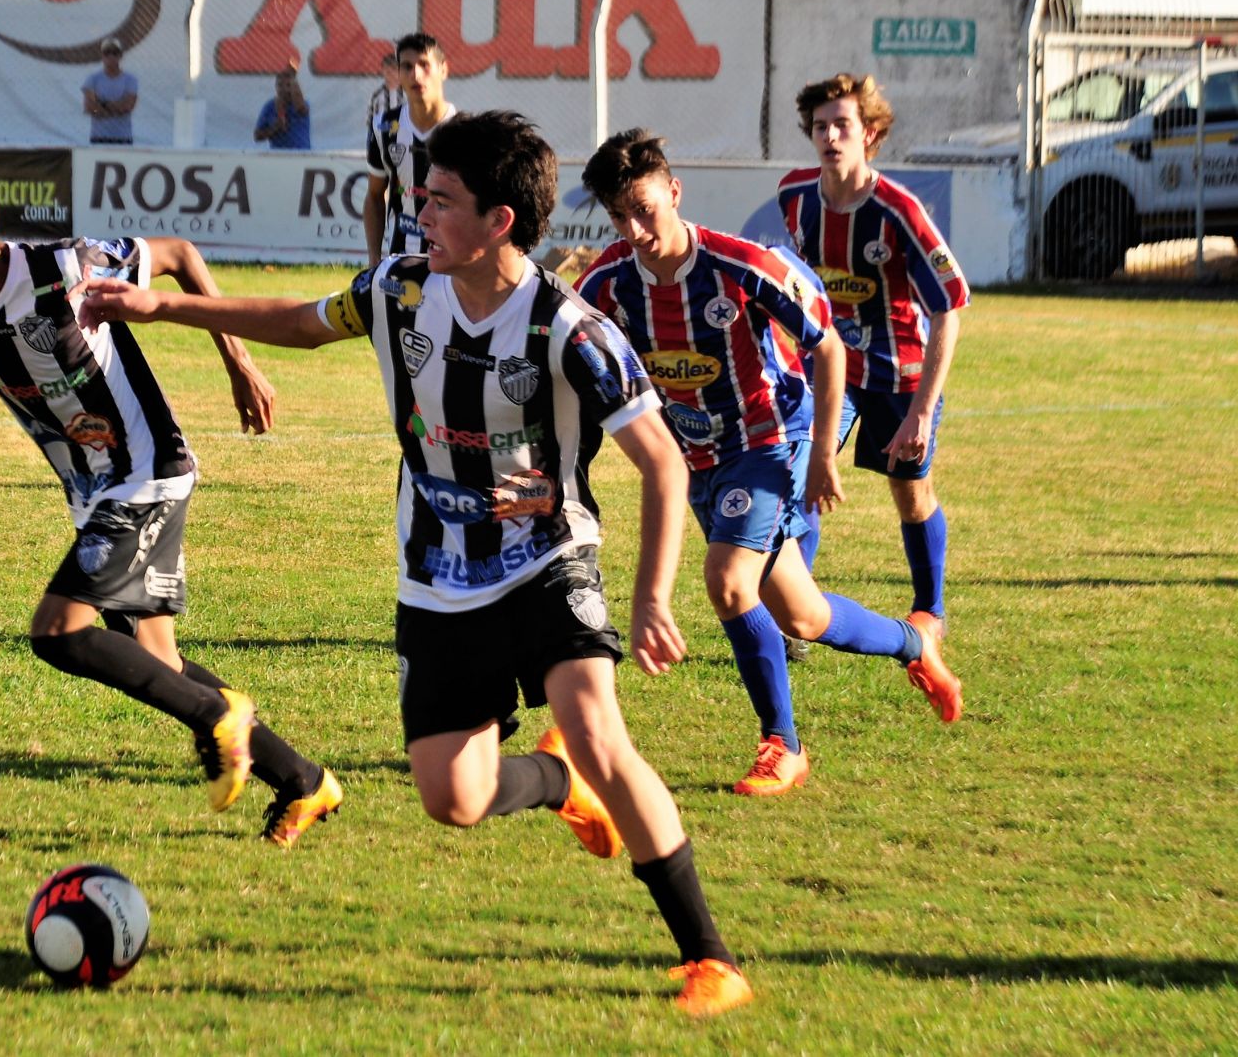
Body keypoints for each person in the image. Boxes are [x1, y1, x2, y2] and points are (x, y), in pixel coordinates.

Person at [77, 111, 754, 1018]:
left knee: (598, 726)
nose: (417, 211)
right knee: (454, 799)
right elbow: (301, 320)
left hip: (550, 559)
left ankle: (709, 957)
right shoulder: (399, 288)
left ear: (499, 222)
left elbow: (663, 462)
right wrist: (170, 307)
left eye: (439, 200)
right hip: (436, 574)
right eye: (420, 194)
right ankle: (558, 783)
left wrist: (652, 598)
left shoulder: (570, 328)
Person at [0, 150, 341, 849]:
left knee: (57, 631)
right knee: (159, 663)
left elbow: (178, 252)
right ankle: (305, 781)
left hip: (147, 470)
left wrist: (239, 361)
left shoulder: (66, 266)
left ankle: (221, 719)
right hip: (91, 492)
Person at [575, 129, 963, 797]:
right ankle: (913, 644)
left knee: (729, 583)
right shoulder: (607, 284)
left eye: (644, 209)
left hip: (765, 444)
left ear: (674, 191)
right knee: (803, 616)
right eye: (618, 217)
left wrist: (819, 456)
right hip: (693, 461)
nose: (635, 230)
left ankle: (783, 744)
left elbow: (829, 347)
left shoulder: (742, 265)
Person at [778, 74, 970, 637]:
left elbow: (949, 306)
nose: (830, 136)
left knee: (911, 492)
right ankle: (796, 615)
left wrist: (921, 410)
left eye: (843, 125)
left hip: (900, 374)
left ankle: (930, 610)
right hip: (829, 368)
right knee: (801, 476)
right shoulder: (795, 196)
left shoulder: (899, 211)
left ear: (871, 133)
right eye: (820, 126)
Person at [362, 32, 456, 268]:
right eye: (407, 67)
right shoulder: (383, 127)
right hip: (401, 259)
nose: (416, 74)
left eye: (425, 65)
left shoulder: (465, 132)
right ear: (399, 74)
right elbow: (374, 195)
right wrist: (374, 255)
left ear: (443, 69)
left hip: (453, 263)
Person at [82, 37, 137, 146]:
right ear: (102, 56)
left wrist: (101, 104)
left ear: (121, 55)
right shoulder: (93, 79)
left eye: (115, 53)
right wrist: (116, 108)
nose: (111, 56)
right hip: (99, 137)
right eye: (107, 53)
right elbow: (89, 108)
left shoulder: (130, 79)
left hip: (123, 137)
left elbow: (127, 107)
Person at [253, 66, 311, 149]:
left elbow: (302, 110)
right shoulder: (269, 107)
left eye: (288, 85)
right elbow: (257, 136)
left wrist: (295, 89)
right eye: (280, 85)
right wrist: (275, 127)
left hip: (301, 155)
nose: (284, 89)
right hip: (278, 156)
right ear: (276, 86)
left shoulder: (303, 104)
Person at [364, 52, 404, 137]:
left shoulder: (408, 94)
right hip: (383, 138)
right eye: (386, 69)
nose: (390, 72)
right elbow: (370, 121)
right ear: (382, 70)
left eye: (394, 69)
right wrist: (386, 127)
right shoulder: (376, 95)